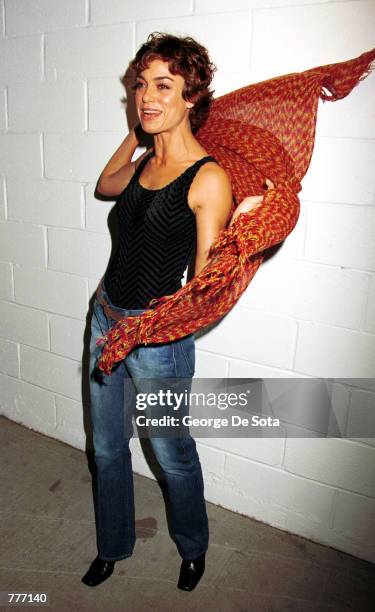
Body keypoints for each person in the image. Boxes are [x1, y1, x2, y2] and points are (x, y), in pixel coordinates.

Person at [82, 32, 271, 592]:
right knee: (108, 447)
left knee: (172, 453)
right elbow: (103, 185)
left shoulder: (207, 177)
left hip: (158, 341)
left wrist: (242, 227)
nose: (147, 95)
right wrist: (136, 132)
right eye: (142, 85)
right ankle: (112, 546)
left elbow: (208, 281)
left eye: (163, 85)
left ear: (192, 95)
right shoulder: (142, 162)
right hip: (103, 321)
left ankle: (193, 547)